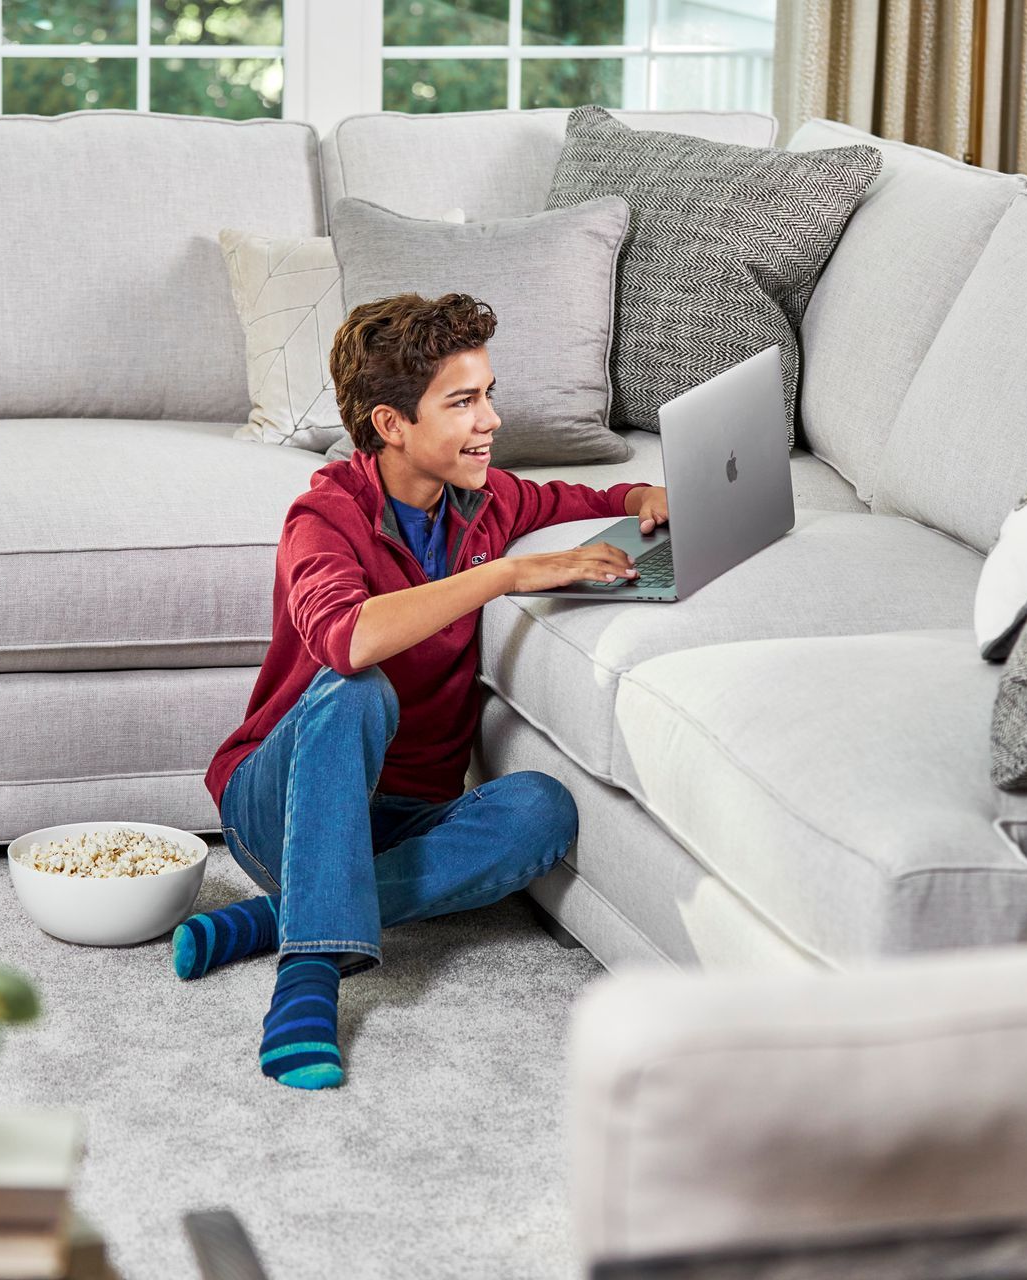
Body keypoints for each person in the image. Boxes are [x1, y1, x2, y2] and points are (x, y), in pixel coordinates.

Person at [182, 291, 670, 1090]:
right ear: (391, 425)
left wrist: (637, 499)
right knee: (355, 690)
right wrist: (504, 574)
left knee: (542, 809)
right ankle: (307, 976)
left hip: (402, 817)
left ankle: (286, 915)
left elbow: (573, 500)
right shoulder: (324, 517)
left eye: (489, 394)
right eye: (464, 402)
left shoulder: (484, 501)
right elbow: (348, 639)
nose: (492, 421)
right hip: (280, 805)